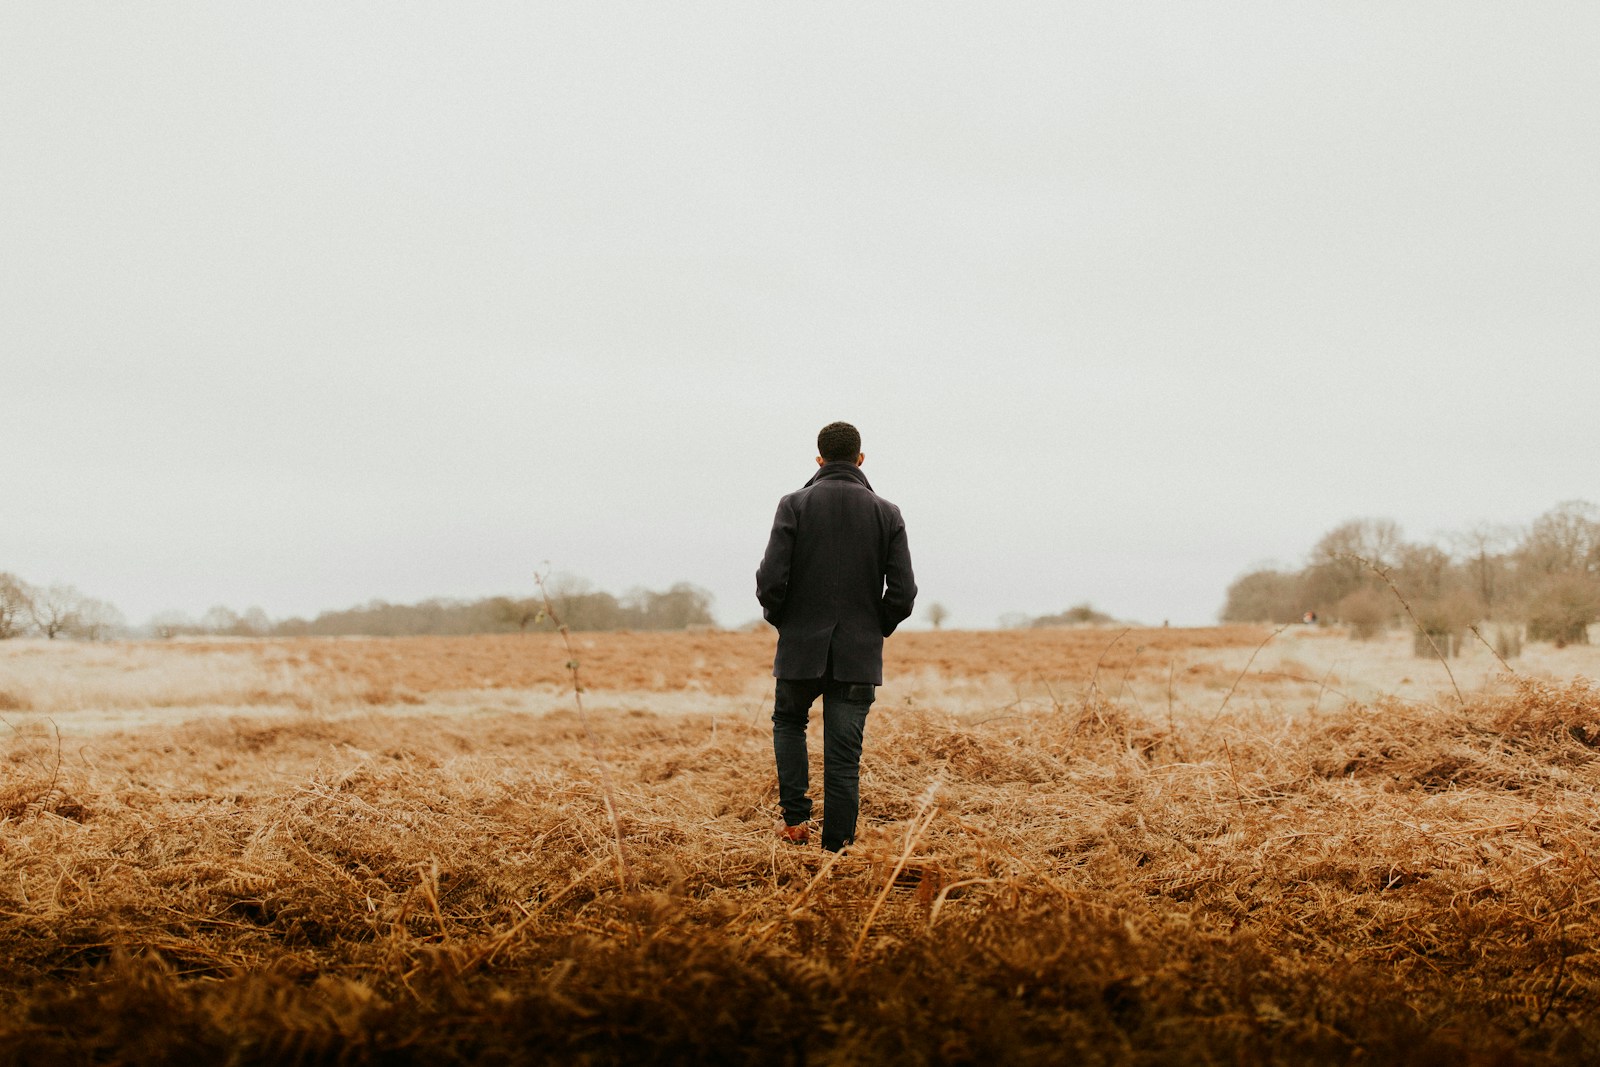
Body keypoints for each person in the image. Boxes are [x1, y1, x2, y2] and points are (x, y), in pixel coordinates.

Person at [755, 421, 917, 851]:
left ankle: (794, 823)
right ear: (861, 459)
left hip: (799, 648)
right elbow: (903, 595)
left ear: (819, 460)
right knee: (844, 760)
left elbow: (770, 581)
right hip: (857, 657)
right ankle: (838, 851)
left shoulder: (794, 504)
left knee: (788, 722)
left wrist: (785, 622)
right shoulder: (888, 513)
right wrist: (871, 629)